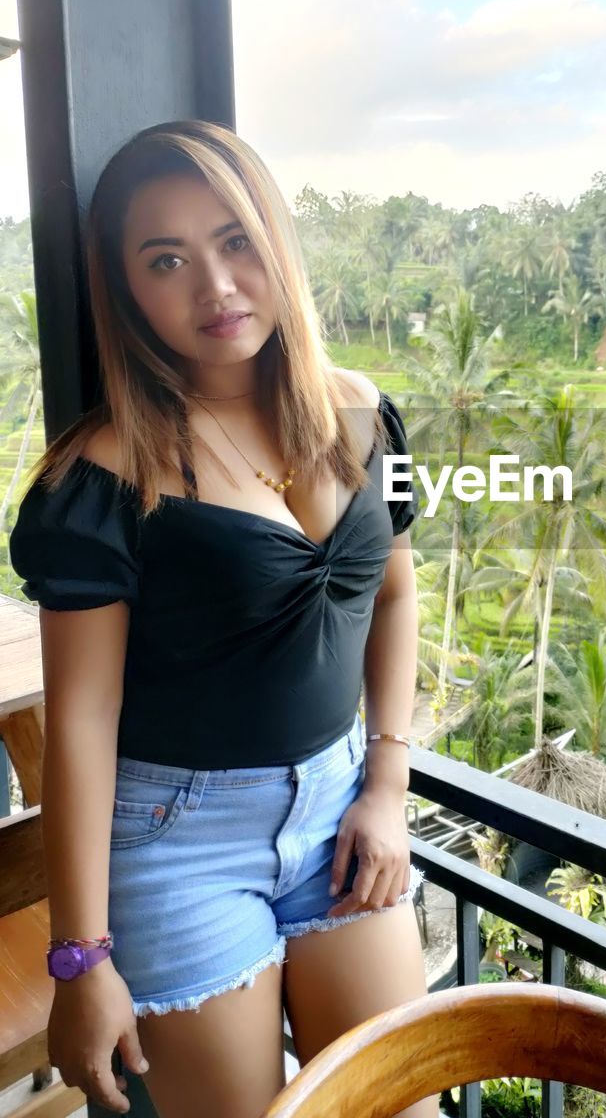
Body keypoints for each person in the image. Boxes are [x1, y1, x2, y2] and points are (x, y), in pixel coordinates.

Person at [8, 120, 436, 1118]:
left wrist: (386, 785)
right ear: (129, 290)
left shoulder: (370, 414)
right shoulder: (101, 478)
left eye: (235, 238)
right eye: (167, 259)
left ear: (276, 241)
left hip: (339, 807)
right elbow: (81, 722)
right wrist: (80, 958)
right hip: (177, 840)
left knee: (397, 1101)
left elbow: (398, 588)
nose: (216, 284)